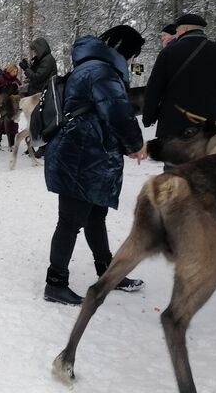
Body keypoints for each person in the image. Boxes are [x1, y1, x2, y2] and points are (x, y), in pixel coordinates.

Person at [43, 25, 147, 305]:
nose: (129, 61)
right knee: (70, 221)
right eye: (130, 54)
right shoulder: (101, 71)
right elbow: (118, 112)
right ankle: (55, 283)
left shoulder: (91, 67)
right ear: (122, 49)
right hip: (81, 157)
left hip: (91, 156)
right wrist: (136, 144)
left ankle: (108, 273)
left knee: (94, 216)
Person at [143, 13, 216, 140]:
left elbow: (154, 88)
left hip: (173, 125)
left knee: (175, 158)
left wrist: (148, 117)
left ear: (184, 29)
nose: (176, 34)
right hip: (208, 127)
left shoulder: (169, 52)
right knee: (203, 159)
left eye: (177, 31)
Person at [0, 64, 20, 147]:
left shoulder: (16, 80)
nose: (15, 73)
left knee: (12, 124)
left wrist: (16, 90)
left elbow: (19, 90)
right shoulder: (0, 78)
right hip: (0, 104)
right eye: (14, 71)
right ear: (9, 71)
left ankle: (11, 143)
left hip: (11, 106)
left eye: (16, 71)